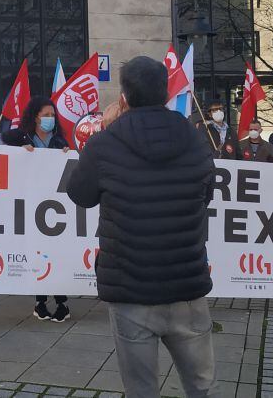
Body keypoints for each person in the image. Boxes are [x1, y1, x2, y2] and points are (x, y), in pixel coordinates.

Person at [67, 56, 216, 397]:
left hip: (131, 290)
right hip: (187, 283)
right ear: (165, 94)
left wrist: (105, 131)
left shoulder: (105, 143)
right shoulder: (195, 138)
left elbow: (80, 194)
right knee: (202, 386)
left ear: (123, 98)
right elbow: (205, 194)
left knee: (141, 390)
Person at [2, 98, 73, 322]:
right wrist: (19, 152)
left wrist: (66, 154)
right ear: (35, 116)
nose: (50, 119)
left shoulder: (59, 140)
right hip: (30, 204)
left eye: (52, 115)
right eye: (46, 115)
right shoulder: (21, 137)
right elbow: (1, 146)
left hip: (54, 206)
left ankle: (62, 303)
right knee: (37, 253)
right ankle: (40, 302)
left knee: (56, 253)